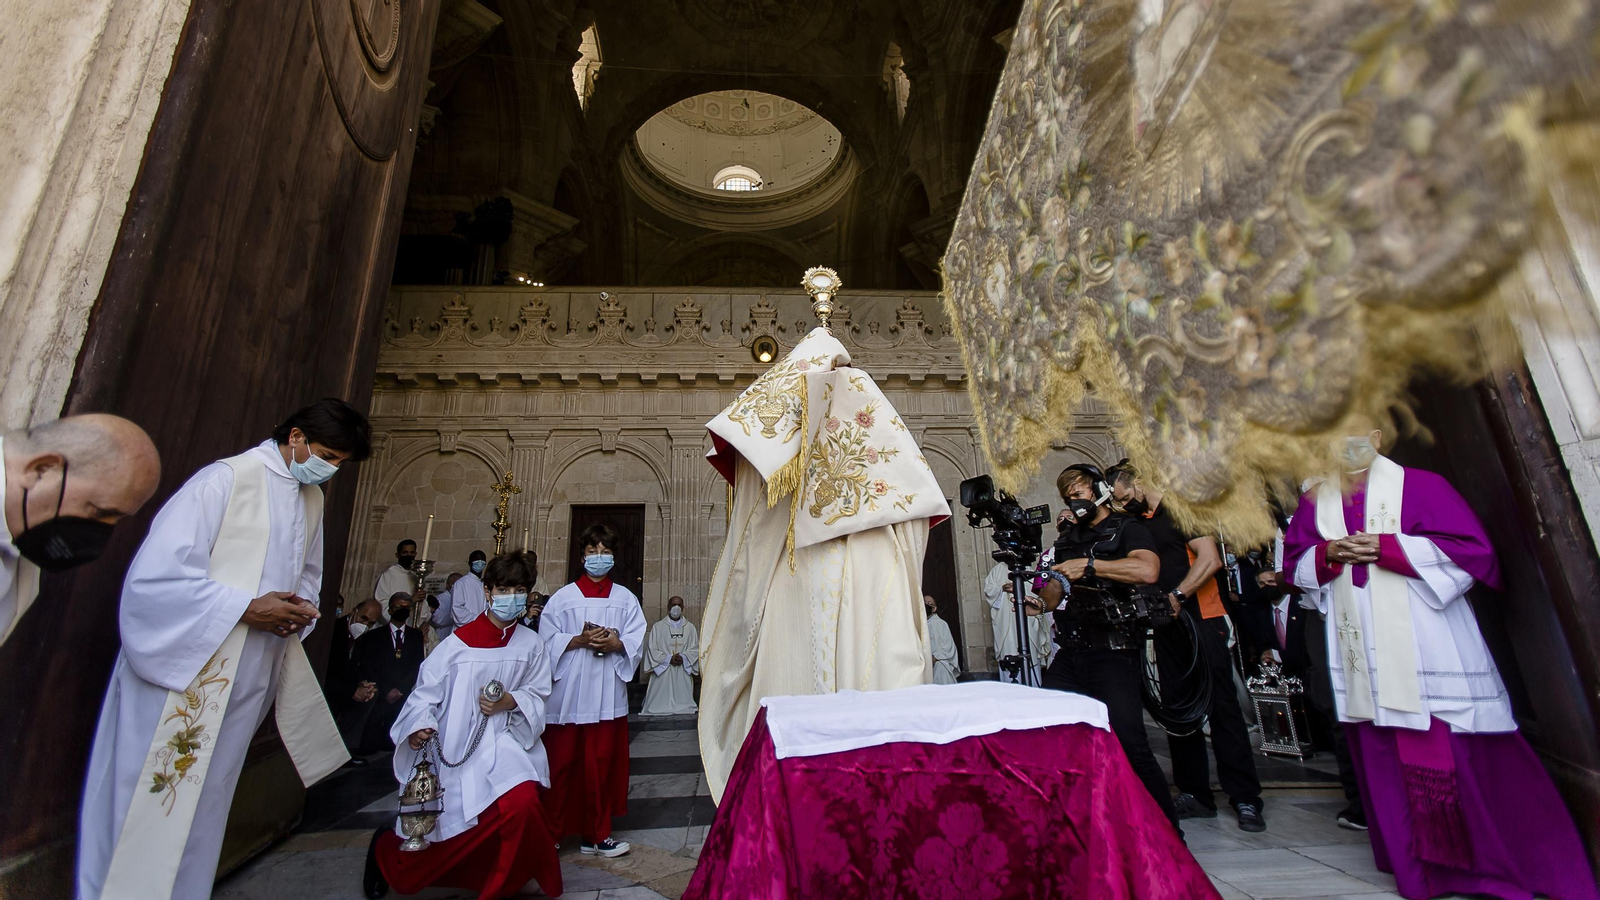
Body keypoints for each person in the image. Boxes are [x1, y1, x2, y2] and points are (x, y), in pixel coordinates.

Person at [1284, 423, 1599, 900]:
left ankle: (1486, 870)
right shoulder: (1315, 502)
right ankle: (1418, 873)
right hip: (1361, 655)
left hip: (1428, 645)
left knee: (1453, 754)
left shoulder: (1423, 486)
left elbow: (1474, 554)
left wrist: (1389, 547)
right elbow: (1294, 566)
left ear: (1377, 436)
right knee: (1384, 756)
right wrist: (1329, 553)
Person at [77, 398, 370, 900]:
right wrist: (246, 608)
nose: (330, 469)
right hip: (188, 669)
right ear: (295, 437)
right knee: (151, 799)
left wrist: (299, 608)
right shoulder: (226, 480)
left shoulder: (311, 499)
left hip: (248, 675)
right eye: (326, 456)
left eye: (340, 463)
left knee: (206, 801)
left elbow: (308, 574)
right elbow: (155, 580)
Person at [364, 550, 562, 900]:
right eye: (503, 589)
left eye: (519, 590)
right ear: (488, 592)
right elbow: (424, 694)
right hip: (459, 748)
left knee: (523, 805)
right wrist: (419, 725)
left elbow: (538, 692)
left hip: (506, 740)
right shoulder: (456, 645)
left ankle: (501, 886)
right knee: (459, 827)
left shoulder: (532, 644)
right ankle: (384, 851)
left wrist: (510, 701)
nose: (511, 597)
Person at [1107, 459, 1266, 833]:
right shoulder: (1139, 523)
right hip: (1168, 624)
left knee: (1221, 706)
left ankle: (1245, 796)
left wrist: (1178, 595)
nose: (1123, 503)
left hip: (1203, 618)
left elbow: (1210, 559)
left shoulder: (1182, 510)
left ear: (1140, 480)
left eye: (1124, 495)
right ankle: (1195, 792)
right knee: (1178, 710)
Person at [1035, 463, 1179, 832]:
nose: (1074, 501)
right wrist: (1038, 599)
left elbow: (1147, 571)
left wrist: (1090, 565)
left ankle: (1166, 831)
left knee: (1129, 740)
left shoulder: (1127, 528)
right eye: (1068, 496)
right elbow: (1055, 591)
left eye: (1079, 492)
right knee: (1049, 727)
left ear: (1099, 490)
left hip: (1114, 650)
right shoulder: (1068, 538)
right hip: (1072, 651)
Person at [1, 414, 161, 644]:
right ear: (42, 469)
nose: (97, 534)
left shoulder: (20, 537)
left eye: (116, 520)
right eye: (98, 512)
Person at [539, 523, 646, 857]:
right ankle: (551, 834)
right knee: (561, 765)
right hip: (568, 695)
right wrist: (578, 640)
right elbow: (544, 642)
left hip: (605, 695)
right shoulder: (563, 598)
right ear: (582, 556)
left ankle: (597, 834)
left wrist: (617, 644)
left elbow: (636, 639)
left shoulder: (625, 599)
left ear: (613, 556)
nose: (599, 557)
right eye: (592, 551)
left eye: (605, 551)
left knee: (601, 766)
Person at [352, 592, 426, 754]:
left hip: (402, 692)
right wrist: (386, 689)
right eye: (399, 607)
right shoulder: (374, 636)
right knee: (371, 738)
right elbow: (368, 665)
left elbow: (418, 664)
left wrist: (401, 689)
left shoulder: (416, 636)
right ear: (390, 610)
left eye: (407, 607)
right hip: (380, 691)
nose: (403, 610)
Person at [327, 598, 384, 761]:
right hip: (328, 685)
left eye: (370, 623)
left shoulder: (361, 637)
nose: (365, 625)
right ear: (354, 612)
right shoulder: (334, 630)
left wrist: (362, 684)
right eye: (363, 618)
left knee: (372, 694)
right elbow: (329, 670)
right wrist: (352, 690)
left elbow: (356, 665)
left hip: (344, 684)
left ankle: (346, 748)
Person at [982, 560, 1053, 684]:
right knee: (1009, 654)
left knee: (1029, 656)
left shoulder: (1027, 569)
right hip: (1006, 625)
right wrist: (1002, 589)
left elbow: (1037, 593)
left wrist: (1019, 588)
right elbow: (990, 592)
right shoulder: (997, 570)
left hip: (1027, 623)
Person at [641, 596, 699, 716]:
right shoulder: (658, 627)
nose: (676, 608)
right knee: (658, 703)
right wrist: (669, 659)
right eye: (673, 605)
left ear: (683, 607)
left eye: (679, 605)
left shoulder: (690, 628)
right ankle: (659, 705)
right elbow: (652, 649)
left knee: (684, 699)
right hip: (664, 669)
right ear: (668, 607)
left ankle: (684, 705)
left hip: (682, 668)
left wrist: (683, 657)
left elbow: (695, 649)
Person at [373, 539, 418, 617]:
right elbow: (381, 603)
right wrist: (411, 601)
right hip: (394, 621)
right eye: (405, 553)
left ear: (415, 554)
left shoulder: (416, 576)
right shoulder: (388, 575)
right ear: (397, 555)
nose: (409, 556)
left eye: (412, 553)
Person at [449, 549, 489, 631]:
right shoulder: (461, 583)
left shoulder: (485, 584)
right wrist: (478, 619)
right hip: (465, 629)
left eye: (482, 560)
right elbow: (457, 610)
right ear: (470, 563)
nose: (480, 562)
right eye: (477, 559)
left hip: (482, 627)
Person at [924, 594, 960, 685]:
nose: (926, 605)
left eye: (929, 604)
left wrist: (935, 658)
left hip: (938, 661)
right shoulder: (916, 625)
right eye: (924, 602)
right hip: (922, 663)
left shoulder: (941, 624)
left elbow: (948, 646)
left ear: (934, 609)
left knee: (941, 668)